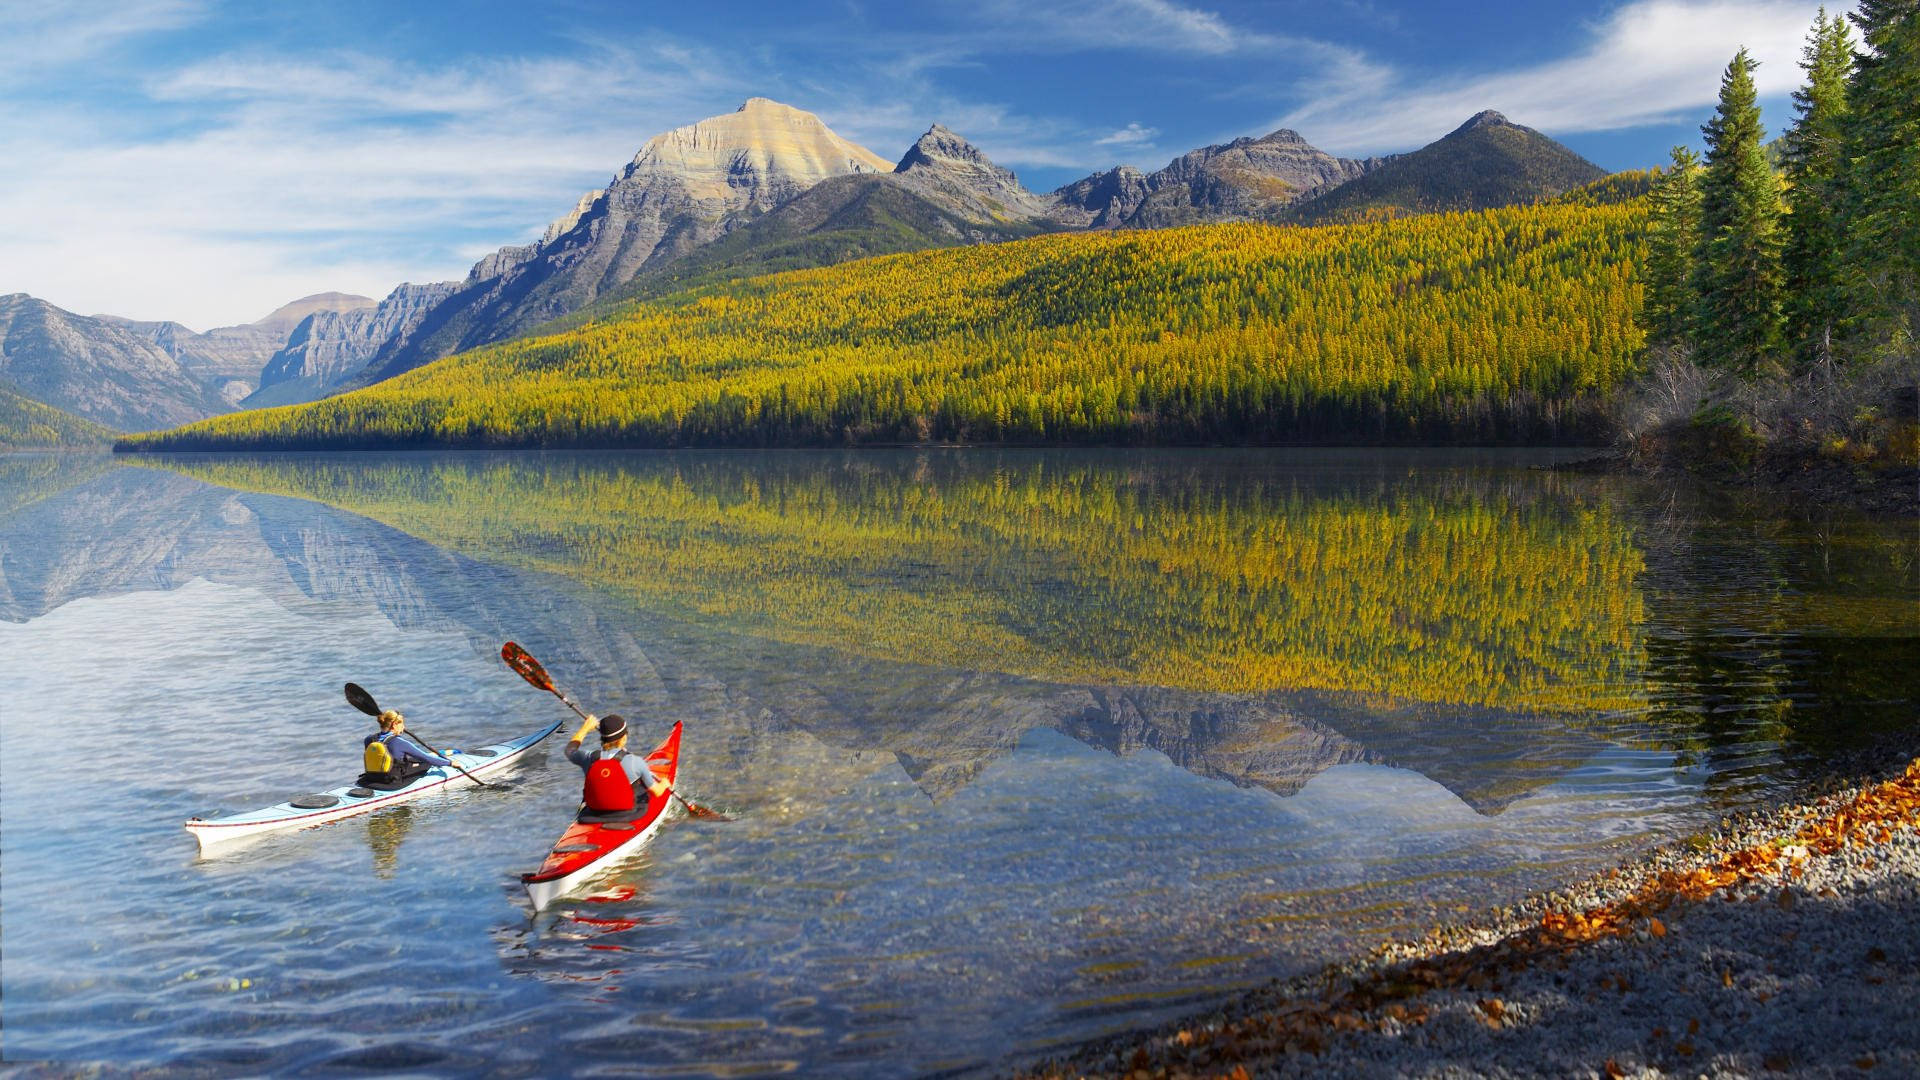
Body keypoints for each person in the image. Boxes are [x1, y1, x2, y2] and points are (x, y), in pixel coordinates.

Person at [566, 713, 669, 821]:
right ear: (623, 739)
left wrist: (585, 728)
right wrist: (665, 783)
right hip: (628, 815)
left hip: (594, 814)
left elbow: (569, 750)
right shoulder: (636, 762)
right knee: (640, 787)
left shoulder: (588, 758)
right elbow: (657, 792)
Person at [359, 709, 453, 790]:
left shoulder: (369, 739)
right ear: (395, 725)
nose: (403, 727)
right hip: (391, 781)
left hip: (372, 778)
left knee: (409, 760)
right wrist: (450, 763)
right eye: (402, 724)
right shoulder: (400, 742)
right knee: (425, 763)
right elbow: (427, 758)